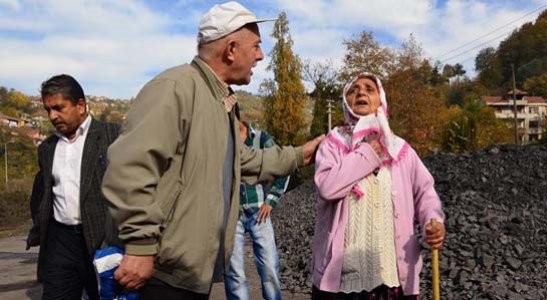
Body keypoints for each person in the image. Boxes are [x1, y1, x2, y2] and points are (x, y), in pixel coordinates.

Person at [101, 2, 324, 299]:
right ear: (231, 49)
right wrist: (140, 244)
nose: (261, 55)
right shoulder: (175, 88)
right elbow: (129, 166)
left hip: (187, 274)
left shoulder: (220, 104)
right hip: (159, 273)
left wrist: (298, 156)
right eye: (256, 46)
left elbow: (242, 161)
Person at [311, 73, 446, 299]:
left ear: (380, 100)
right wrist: (365, 154)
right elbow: (327, 187)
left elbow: (425, 192)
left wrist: (433, 220)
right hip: (343, 284)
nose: (361, 92)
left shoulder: (400, 149)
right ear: (346, 102)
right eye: (353, 90)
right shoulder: (332, 145)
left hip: (391, 281)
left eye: (369, 89)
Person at [26, 74, 120, 300]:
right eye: (48, 110)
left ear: (80, 105)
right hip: (61, 242)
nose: (52, 116)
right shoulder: (47, 148)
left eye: (58, 108)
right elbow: (42, 192)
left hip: (102, 239)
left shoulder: (112, 136)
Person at [225, 121, 290, 300]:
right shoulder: (222, 141)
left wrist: (271, 200)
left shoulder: (261, 139)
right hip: (232, 215)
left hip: (259, 212)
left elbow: (282, 165)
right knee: (235, 274)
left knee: (269, 267)